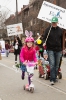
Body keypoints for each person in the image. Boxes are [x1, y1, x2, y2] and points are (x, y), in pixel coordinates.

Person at [43, 16, 63, 85]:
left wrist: (62, 49)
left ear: (57, 22)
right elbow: (44, 38)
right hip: (50, 49)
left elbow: (62, 40)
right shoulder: (47, 30)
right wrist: (43, 42)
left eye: (55, 22)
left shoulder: (60, 30)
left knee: (57, 65)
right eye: (53, 22)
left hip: (58, 50)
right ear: (51, 22)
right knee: (52, 64)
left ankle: (55, 77)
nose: (54, 23)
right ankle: (52, 79)